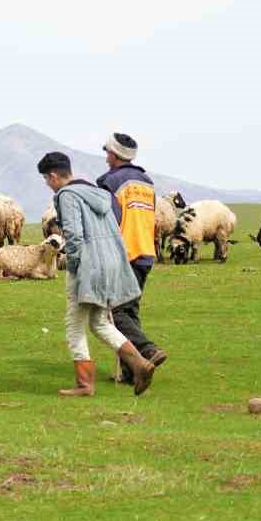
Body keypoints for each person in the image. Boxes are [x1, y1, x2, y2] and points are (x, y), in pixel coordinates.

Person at [39, 151, 156, 397]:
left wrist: (73, 265)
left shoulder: (66, 195)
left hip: (88, 268)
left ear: (53, 176)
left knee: (74, 326)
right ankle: (139, 364)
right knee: (100, 322)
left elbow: (73, 233)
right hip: (111, 264)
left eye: (46, 180)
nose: (48, 186)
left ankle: (84, 385)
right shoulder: (100, 194)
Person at [94, 132, 168, 382]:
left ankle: (147, 350)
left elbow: (108, 220)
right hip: (146, 252)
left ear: (114, 155)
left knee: (114, 312)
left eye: (108, 153)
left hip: (122, 254)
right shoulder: (146, 182)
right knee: (130, 310)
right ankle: (131, 372)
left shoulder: (110, 182)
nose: (106, 157)